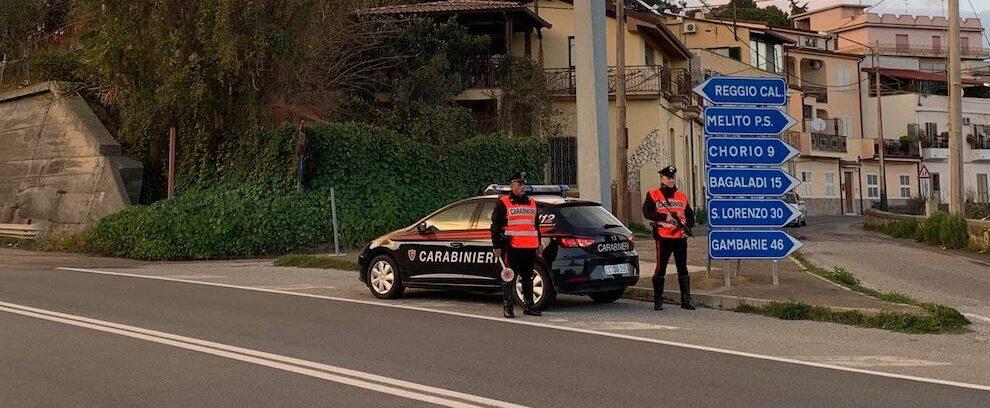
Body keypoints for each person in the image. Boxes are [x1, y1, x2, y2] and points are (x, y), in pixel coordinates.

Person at [642, 165, 696, 311]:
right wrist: (664, 217)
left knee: (682, 268)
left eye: (672, 178)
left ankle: (686, 300)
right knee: (661, 269)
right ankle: (658, 301)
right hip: (663, 237)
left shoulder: (681, 195)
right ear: (662, 179)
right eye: (668, 178)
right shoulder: (653, 194)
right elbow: (647, 213)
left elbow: (690, 216)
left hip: (680, 237)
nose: (671, 180)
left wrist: (688, 229)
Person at [490, 171, 542, 318]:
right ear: (512, 185)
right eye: (519, 184)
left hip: (529, 247)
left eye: (523, 184)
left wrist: (539, 243)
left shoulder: (531, 202)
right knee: (509, 276)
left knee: (528, 277)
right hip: (512, 247)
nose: (522, 187)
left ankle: (529, 306)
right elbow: (495, 226)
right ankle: (508, 307)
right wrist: (497, 246)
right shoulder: (503, 202)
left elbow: (536, 226)